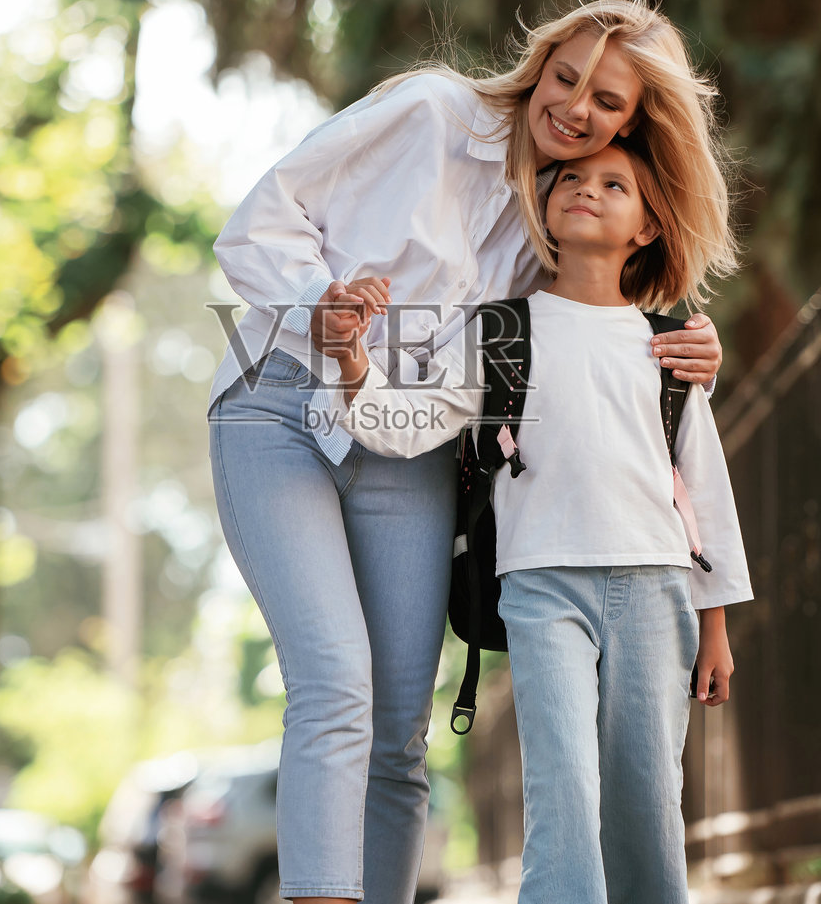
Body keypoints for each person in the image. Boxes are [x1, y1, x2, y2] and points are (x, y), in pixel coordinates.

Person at [207, 0, 725, 904]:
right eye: (566, 78)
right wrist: (317, 303)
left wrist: (690, 344)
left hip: (408, 445)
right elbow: (258, 219)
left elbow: (596, 331)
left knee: (400, 725)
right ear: (542, 60)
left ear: (634, 119)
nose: (575, 109)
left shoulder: (563, 209)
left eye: (607, 102)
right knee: (336, 680)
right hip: (281, 405)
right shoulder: (431, 111)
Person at [316, 136, 753, 904]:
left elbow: (703, 487)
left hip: (657, 590)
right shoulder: (499, 330)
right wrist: (353, 364)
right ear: (544, 208)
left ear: (647, 227)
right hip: (541, 586)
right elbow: (406, 421)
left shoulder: (667, 341)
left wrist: (713, 623)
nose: (586, 189)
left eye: (615, 184)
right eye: (572, 178)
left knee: (647, 799)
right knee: (563, 792)